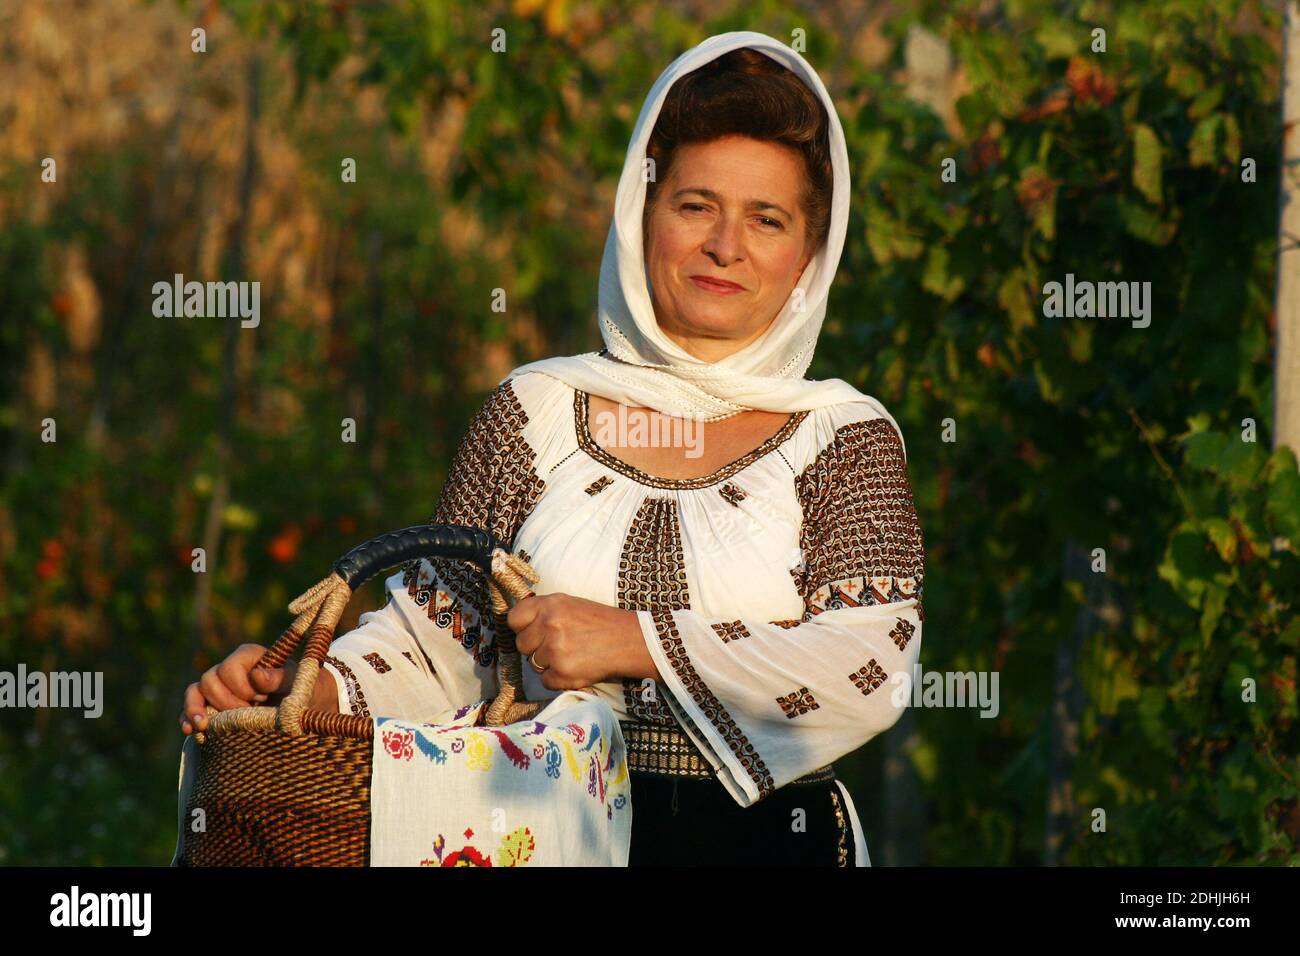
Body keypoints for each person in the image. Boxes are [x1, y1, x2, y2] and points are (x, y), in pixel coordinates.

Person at [180, 30, 925, 867]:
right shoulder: (534, 412)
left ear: (808, 259)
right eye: (694, 205)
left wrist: (631, 640)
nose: (726, 245)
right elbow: (437, 649)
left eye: (767, 219)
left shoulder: (842, 438)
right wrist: (308, 691)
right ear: (640, 217)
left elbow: (873, 664)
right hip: (539, 834)